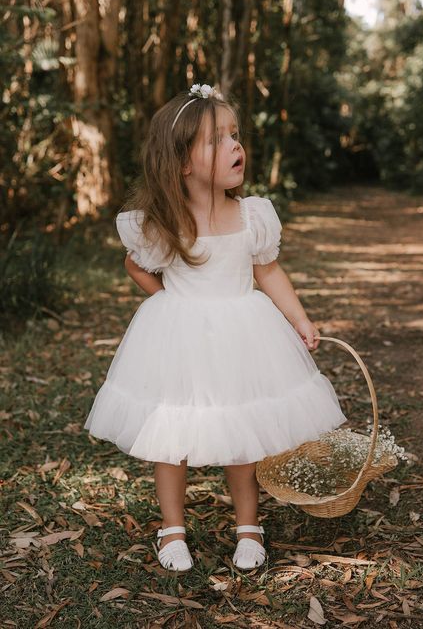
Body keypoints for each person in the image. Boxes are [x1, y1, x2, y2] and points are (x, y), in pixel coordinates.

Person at [84, 83, 347, 573]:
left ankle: (249, 526)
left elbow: (267, 270)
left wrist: (299, 318)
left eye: (235, 135)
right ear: (183, 162)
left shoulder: (251, 216)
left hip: (242, 333)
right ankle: (172, 528)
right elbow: (136, 265)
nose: (235, 146)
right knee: (172, 429)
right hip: (179, 337)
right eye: (217, 139)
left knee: (241, 426)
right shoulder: (163, 222)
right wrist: (168, 303)